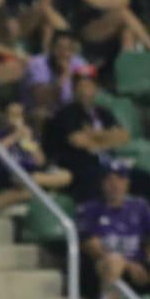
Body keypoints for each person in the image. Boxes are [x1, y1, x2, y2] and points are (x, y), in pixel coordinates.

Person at [78, 161, 150, 299]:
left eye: (120, 179)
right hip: (105, 268)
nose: (115, 185)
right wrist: (127, 265)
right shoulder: (90, 209)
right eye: (110, 180)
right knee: (114, 260)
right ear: (102, 183)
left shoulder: (140, 206)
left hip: (140, 266)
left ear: (127, 183)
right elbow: (92, 247)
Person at [43, 65, 129, 199]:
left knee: (142, 177)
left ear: (96, 89)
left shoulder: (103, 112)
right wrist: (107, 138)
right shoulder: (66, 114)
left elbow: (123, 137)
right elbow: (79, 142)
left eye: (88, 86)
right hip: (76, 165)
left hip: (105, 162)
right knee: (96, 176)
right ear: (73, 89)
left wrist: (93, 135)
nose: (84, 91)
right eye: (80, 86)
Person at [0, 99, 70, 215]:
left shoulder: (27, 134)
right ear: (3, 116)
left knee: (65, 176)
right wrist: (14, 137)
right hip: (4, 172)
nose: (16, 119)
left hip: (30, 173)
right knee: (28, 191)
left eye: (19, 115)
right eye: (13, 115)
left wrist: (30, 142)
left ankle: (32, 181)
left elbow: (40, 161)